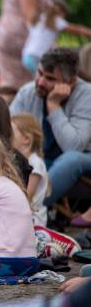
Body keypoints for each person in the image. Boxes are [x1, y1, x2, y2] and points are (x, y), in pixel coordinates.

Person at [10, 48, 91, 210]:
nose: (40, 82)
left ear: (71, 82)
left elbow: (73, 147)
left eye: (50, 78)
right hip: (41, 159)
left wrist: (54, 106)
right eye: (39, 73)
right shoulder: (27, 92)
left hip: (83, 159)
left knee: (71, 160)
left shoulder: (87, 95)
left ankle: (28, 208)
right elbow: (5, 134)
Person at [0, 0, 50, 88]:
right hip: (20, 35)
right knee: (25, 83)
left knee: (9, 80)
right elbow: (30, 16)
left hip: (3, 32)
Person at [22, 0, 91, 76]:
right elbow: (79, 30)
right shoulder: (57, 21)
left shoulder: (41, 18)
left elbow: (46, 41)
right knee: (47, 80)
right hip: (35, 57)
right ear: (61, 12)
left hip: (26, 56)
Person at [11, 114, 49, 226]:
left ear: (26, 139)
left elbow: (26, 196)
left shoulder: (35, 163)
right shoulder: (15, 159)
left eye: (10, 134)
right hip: (18, 213)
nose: (6, 137)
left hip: (33, 220)